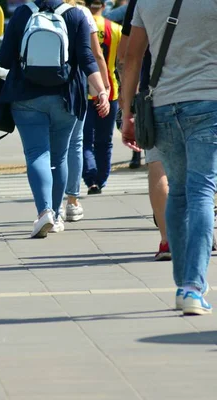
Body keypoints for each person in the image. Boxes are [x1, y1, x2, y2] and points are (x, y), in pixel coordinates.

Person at [121, 0, 217, 315]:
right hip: (208, 101)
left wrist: (126, 113)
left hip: (162, 104)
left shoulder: (147, 1)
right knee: (201, 190)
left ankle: (183, 283)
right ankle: (192, 286)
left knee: (178, 190)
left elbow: (132, 57)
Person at [0, 0, 109, 238]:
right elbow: (87, 58)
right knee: (60, 156)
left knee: (37, 154)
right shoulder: (76, 15)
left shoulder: (22, 14)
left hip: (26, 98)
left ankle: (44, 211)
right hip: (66, 98)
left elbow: (4, 61)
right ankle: (57, 215)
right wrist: (101, 91)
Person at [117, 0, 170, 261]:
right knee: (202, 172)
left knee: (158, 165)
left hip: (156, 95)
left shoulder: (142, 1)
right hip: (205, 95)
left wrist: (126, 107)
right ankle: (202, 235)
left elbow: (129, 55)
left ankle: (168, 240)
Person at [63, 0, 110, 223]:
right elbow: (94, 54)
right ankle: (72, 201)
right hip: (74, 87)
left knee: (45, 149)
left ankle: (48, 206)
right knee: (75, 143)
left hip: (38, 87)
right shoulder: (81, 12)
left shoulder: (35, 9)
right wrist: (104, 87)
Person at [81, 0, 121, 195]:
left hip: (84, 89)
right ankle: (102, 178)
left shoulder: (79, 21)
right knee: (105, 140)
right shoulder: (115, 29)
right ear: (104, 6)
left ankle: (90, 179)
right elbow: (122, 60)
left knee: (85, 139)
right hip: (109, 88)